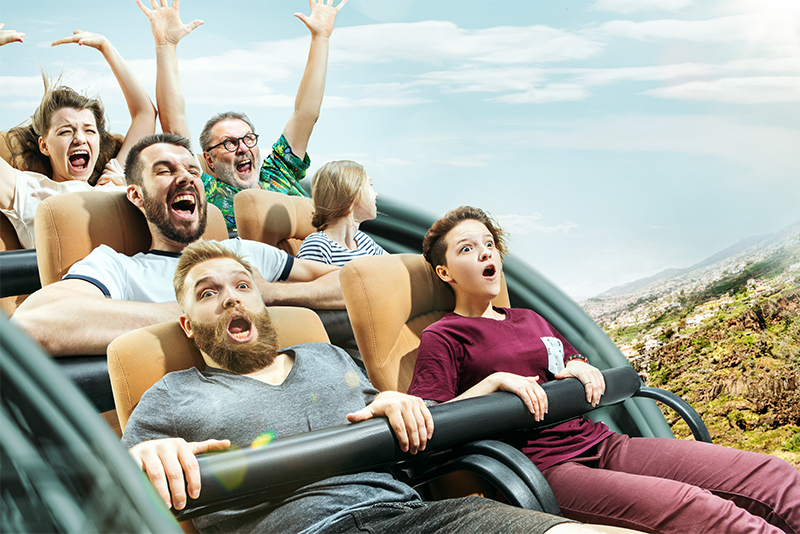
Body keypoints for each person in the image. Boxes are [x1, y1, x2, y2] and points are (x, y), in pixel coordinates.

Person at [123, 239, 617, 534]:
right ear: (187, 324)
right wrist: (140, 461)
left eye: (242, 286)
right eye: (209, 293)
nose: (231, 298)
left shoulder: (328, 356)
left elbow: (405, 434)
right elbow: (108, 493)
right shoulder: (171, 394)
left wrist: (399, 406)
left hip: (412, 516)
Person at [406, 206, 800, 534]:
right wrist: (493, 384)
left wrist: (580, 368)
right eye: (467, 248)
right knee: (703, 510)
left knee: (773, 474)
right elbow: (429, 422)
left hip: (602, 443)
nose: (485, 253)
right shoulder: (444, 335)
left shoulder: (529, 318)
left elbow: (570, 363)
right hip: (544, 467)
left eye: (489, 244)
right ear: (446, 272)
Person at [11, 133, 343, 357]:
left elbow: (352, 283)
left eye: (192, 171)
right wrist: (204, 311)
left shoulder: (246, 253)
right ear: (137, 196)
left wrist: (271, 293)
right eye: (165, 171)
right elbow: (35, 321)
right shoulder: (117, 267)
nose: (184, 177)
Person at [137, 0, 346, 232]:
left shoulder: (277, 173)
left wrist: (321, 38)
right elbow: (174, 122)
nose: (243, 148)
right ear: (209, 160)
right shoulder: (208, 192)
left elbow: (306, 114)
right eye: (229, 143)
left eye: (248, 139)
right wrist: (165, 45)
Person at [0, 26, 156, 248]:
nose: (80, 139)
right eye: (66, 131)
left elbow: (145, 114)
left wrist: (106, 47)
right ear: (44, 145)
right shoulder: (28, 190)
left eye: (89, 130)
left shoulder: (112, 181)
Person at [297, 160, 385, 266]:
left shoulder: (364, 241)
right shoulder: (318, 246)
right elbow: (310, 283)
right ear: (352, 191)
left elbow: (399, 267)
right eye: (370, 184)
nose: (376, 194)